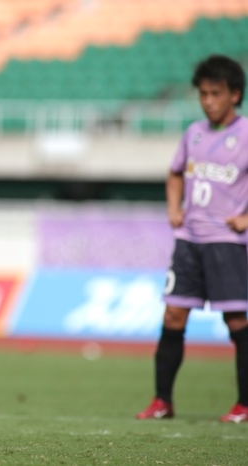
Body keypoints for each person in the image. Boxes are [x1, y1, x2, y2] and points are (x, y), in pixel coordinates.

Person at [136, 55, 248, 423]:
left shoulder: (245, 134)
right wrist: (174, 208)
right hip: (189, 241)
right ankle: (162, 402)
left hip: (227, 243)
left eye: (216, 94)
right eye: (203, 94)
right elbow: (175, 174)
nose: (208, 101)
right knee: (173, 315)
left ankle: (245, 405)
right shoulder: (194, 133)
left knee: (237, 321)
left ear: (234, 95)